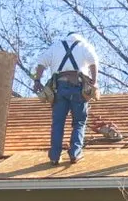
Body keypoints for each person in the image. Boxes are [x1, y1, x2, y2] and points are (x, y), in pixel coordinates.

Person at [34, 33, 100, 165]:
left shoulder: (56, 46)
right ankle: (75, 153)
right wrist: (94, 81)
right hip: (78, 88)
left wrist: (37, 80)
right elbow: (93, 61)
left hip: (59, 88)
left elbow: (41, 63)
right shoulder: (84, 45)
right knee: (79, 122)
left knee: (58, 123)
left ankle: (54, 156)